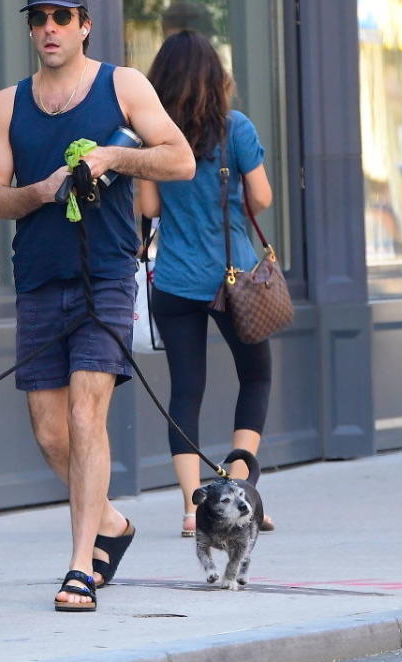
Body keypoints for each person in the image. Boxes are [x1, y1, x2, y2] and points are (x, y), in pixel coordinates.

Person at [0, 0, 194, 611]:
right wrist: (38, 193)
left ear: (84, 25)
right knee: (51, 433)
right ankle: (111, 524)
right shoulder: (6, 103)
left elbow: (179, 159)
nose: (49, 28)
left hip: (105, 275)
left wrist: (112, 158)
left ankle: (79, 567)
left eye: (61, 17)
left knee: (84, 415)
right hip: (39, 280)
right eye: (39, 18)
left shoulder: (122, 85)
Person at [136, 31, 275, 539]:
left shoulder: (154, 137)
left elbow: (149, 209)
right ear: (217, 79)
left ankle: (193, 511)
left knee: (186, 390)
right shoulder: (236, 129)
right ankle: (239, 496)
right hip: (233, 278)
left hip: (175, 280)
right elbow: (261, 198)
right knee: (255, 378)